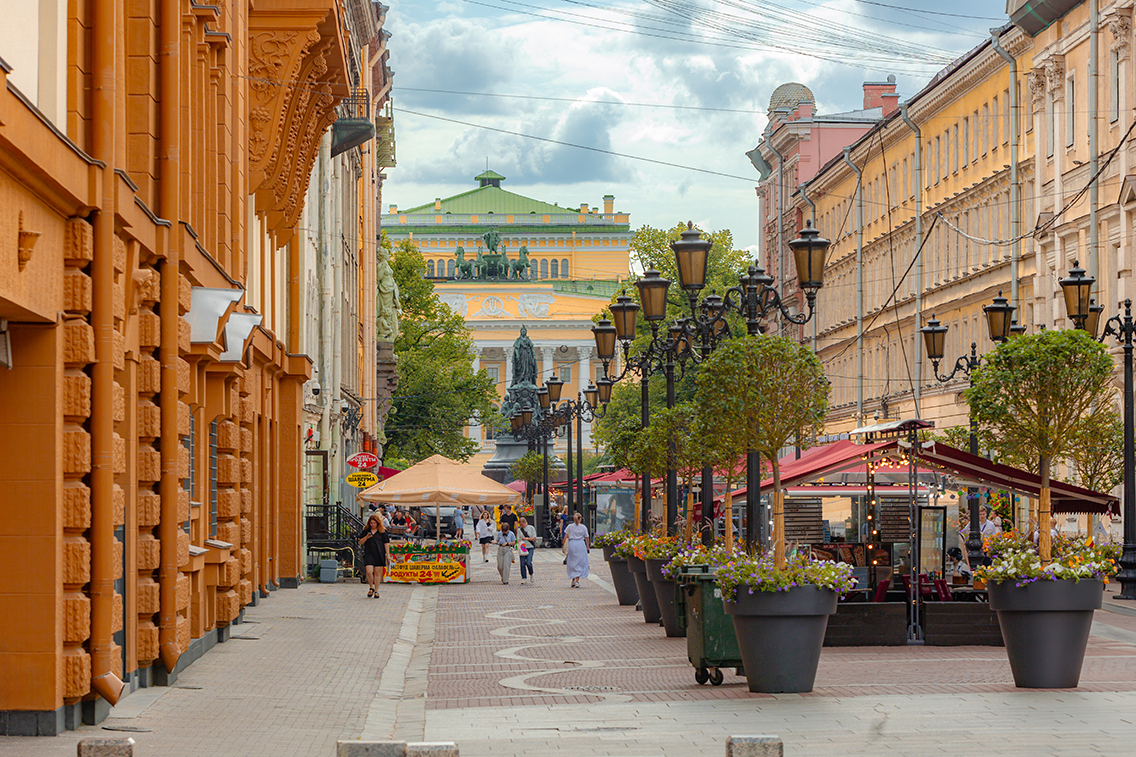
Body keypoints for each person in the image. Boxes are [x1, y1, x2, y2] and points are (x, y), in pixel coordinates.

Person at [357, 514, 388, 598]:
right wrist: (367, 537)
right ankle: (371, 587)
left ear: (378, 523)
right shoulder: (366, 531)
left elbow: (386, 543)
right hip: (369, 553)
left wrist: (387, 554)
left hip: (379, 553)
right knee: (369, 571)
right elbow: (360, 541)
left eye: (374, 523)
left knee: (377, 573)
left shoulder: (382, 531)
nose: (373, 525)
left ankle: (377, 590)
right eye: (371, 523)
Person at [564, 511, 590, 588]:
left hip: (572, 544)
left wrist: (564, 544)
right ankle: (577, 581)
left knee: (572, 562)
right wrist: (588, 546)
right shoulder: (583, 527)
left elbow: (566, 536)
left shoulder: (570, 526)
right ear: (580, 519)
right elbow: (587, 538)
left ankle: (573, 579)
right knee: (579, 562)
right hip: (580, 544)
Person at [517, 517, 537, 584]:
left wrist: (527, 538)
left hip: (530, 546)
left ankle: (531, 574)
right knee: (522, 563)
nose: (521, 526)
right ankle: (524, 577)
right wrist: (519, 541)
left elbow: (534, 538)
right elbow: (518, 538)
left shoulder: (531, 528)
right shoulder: (519, 530)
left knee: (528, 562)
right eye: (520, 524)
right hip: (523, 547)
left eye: (522, 524)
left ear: (525, 522)